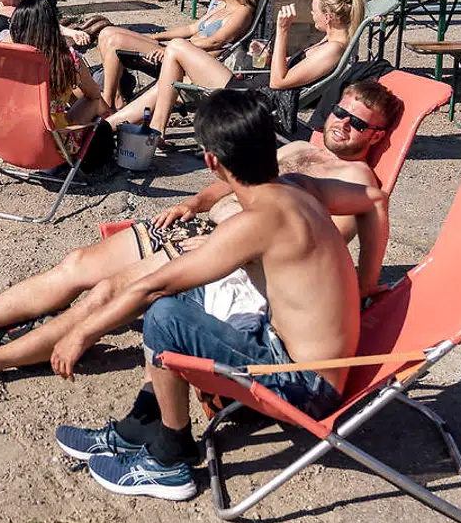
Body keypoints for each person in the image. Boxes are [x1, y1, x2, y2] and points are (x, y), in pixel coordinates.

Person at [0, 81, 402, 384]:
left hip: (223, 254)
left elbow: (323, 239)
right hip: (198, 228)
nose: (342, 124)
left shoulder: (356, 179)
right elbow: (237, 178)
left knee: (108, 292)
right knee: (79, 263)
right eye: (340, 111)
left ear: (377, 136)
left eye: (358, 123)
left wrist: (365, 283)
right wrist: (195, 201)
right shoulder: (299, 149)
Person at [52, 88, 388, 501]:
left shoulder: (256, 223)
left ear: (212, 162)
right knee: (194, 299)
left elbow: (154, 285)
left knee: (163, 314)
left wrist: (82, 333)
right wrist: (366, 282)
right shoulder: (301, 187)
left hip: (304, 387)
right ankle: (143, 422)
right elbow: (374, 199)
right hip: (301, 355)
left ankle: (170, 459)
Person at [108, 0, 365, 137]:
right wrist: (271, 53)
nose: (312, 15)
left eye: (315, 12)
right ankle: (109, 126)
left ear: (329, 18)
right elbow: (284, 72)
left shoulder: (332, 49)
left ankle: (153, 131)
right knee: (171, 76)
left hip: (258, 104)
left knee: (176, 48)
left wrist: (282, 31)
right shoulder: (327, 43)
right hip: (253, 89)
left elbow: (278, 82)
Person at [97, 0, 257, 108]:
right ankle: (115, 98)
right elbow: (190, 28)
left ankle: (108, 102)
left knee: (115, 40)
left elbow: (216, 41)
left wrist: (174, 49)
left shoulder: (242, 11)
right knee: (106, 33)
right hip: (179, 51)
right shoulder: (222, 6)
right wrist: (157, 37)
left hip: (187, 63)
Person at [8, 0, 109, 151]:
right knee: (94, 100)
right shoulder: (68, 60)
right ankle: (114, 126)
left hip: (12, 138)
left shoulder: (6, 57)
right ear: (53, 27)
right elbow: (94, 94)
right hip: (53, 145)